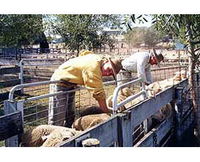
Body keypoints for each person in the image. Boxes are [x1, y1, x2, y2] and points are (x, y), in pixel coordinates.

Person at [48, 53, 122, 127]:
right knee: (58, 114)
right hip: (60, 81)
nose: (107, 73)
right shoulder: (93, 67)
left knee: (70, 113)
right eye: (109, 69)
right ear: (107, 62)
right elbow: (98, 93)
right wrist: (107, 112)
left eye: (110, 74)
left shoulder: (99, 60)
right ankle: (53, 133)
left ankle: (69, 134)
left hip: (70, 83)